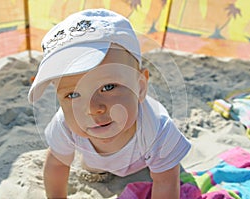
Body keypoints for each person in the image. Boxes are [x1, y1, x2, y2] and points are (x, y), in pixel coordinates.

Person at [28, 8, 191, 199]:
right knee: (93, 166)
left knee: (166, 165)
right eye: (72, 95)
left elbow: (165, 182)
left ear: (139, 87)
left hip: (144, 162)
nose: (92, 109)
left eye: (108, 87)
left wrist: (164, 173)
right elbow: (57, 164)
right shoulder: (65, 124)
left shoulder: (158, 128)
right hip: (96, 163)